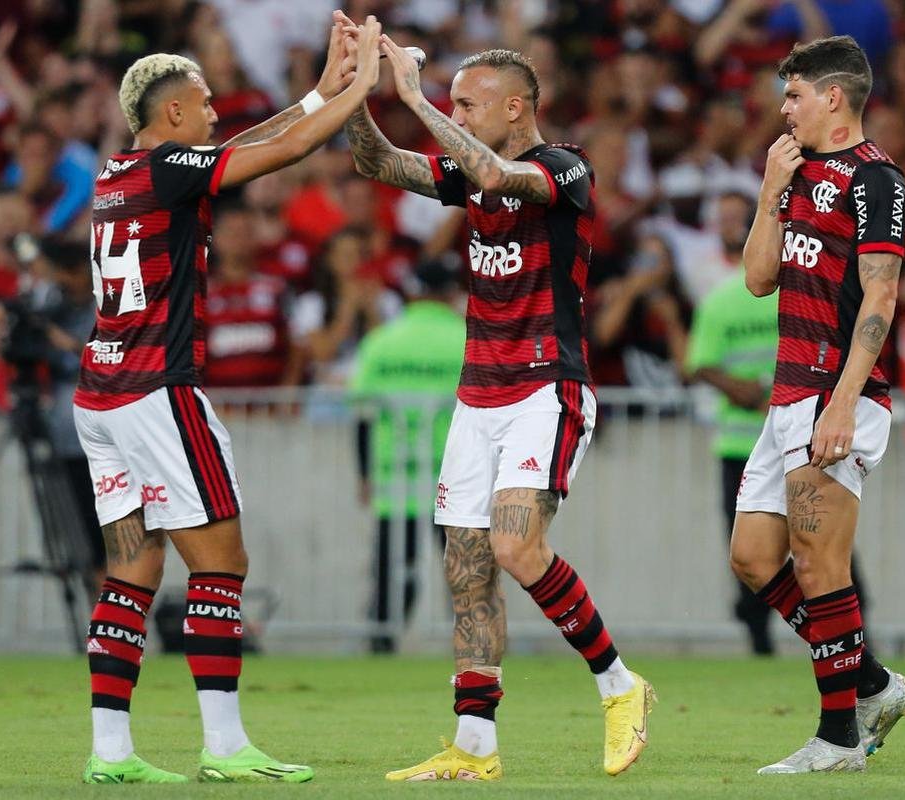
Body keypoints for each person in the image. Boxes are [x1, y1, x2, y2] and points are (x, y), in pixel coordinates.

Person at [70, 15, 384, 784]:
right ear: (172, 113)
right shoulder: (175, 167)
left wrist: (319, 91)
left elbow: (248, 143)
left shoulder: (120, 172)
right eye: (205, 102)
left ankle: (110, 754)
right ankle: (224, 744)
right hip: (156, 393)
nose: (216, 113)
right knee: (221, 565)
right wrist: (365, 87)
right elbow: (282, 151)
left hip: (101, 395)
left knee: (131, 570)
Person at [341, 16, 654, 781]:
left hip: (547, 387)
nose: (457, 113)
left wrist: (416, 99)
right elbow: (375, 161)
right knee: (469, 567)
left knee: (516, 546)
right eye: (452, 101)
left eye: (469, 103)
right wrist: (354, 87)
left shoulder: (565, 169)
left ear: (517, 106)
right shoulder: (468, 168)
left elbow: (491, 175)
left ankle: (621, 685)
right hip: (477, 399)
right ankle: (474, 746)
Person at [729, 36, 905, 774]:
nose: (785, 110)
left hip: (841, 393)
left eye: (795, 95)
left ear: (833, 98)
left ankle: (839, 740)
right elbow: (756, 278)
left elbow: (882, 293)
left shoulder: (878, 180)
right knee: (752, 559)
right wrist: (768, 191)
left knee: (819, 563)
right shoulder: (798, 170)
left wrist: (842, 402)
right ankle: (868, 682)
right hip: (788, 395)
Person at [349, 254, 466, 654]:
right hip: (454, 474)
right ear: (451, 292)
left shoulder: (383, 341)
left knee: (392, 569)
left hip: (393, 473)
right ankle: (474, 647)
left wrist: (364, 472)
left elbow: (362, 414)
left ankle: (381, 643)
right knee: (464, 567)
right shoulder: (466, 338)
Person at [685, 247, 779, 655]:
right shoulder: (723, 299)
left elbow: (699, 363)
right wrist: (740, 389)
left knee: (805, 546)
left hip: (784, 443)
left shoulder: (725, 299)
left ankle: (851, 643)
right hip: (746, 445)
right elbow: (700, 364)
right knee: (752, 553)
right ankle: (758, 635)